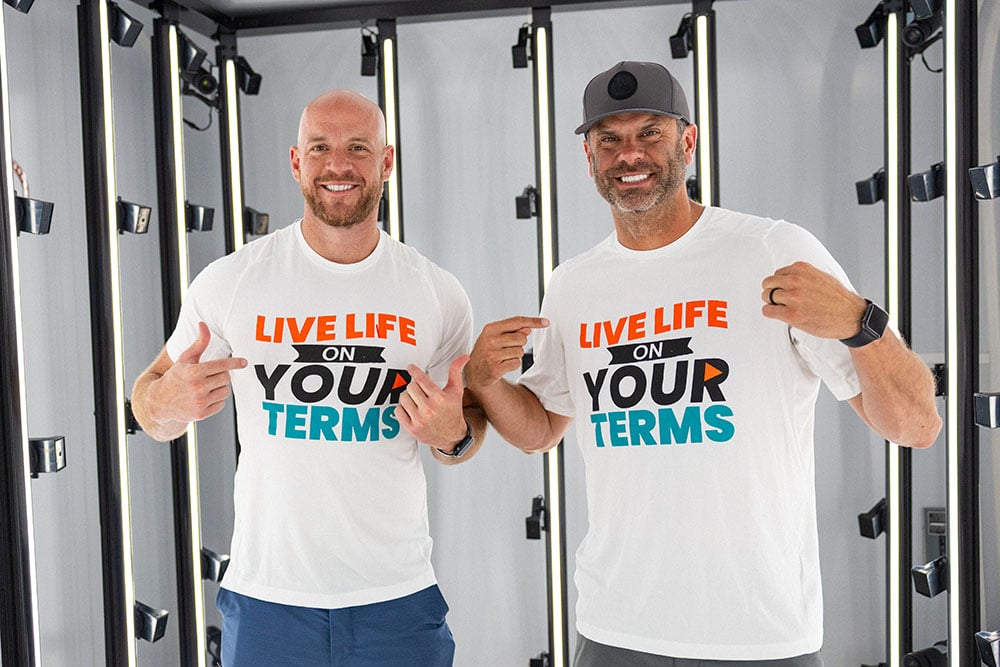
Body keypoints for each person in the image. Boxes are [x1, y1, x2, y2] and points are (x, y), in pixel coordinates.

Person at [465, 61, 941, 665]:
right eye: (608, 139)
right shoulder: (572, 284)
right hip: (615, 628)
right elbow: (541, 430)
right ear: (588, 157)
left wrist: (860, 323)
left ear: (687, 142)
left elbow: (915, 427)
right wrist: (484, 381)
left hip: (760, 633)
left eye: (650, 134)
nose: (628, 154)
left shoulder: (771, 250)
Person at [131, 89, 485, 666]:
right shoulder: (231, 281)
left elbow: (463, 431)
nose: (337, 165)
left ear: (386, 161)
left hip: (395, 599)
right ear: (297, 162)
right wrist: (168, 401)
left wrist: (453, 435)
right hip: (269, 599)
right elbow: (148, 405)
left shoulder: (436, 292)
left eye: (357, 148)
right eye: (319, 148)